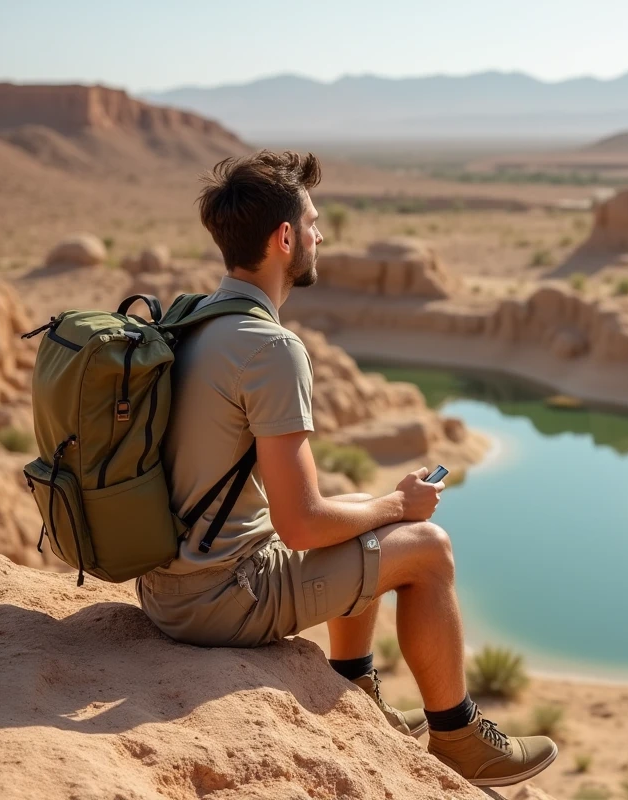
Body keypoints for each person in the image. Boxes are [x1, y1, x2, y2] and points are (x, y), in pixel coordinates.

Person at [135, 150, 557, 788]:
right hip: (219, 602)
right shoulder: (271, 350)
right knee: (427, 548)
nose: (320, 235)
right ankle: (459, 735)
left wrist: (375, 505)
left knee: (356, 503)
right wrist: (400, 507)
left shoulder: (192, 317)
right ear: (284, 239)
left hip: (166, 583)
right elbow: (302, 525)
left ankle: (355, 684)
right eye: (311, 222)